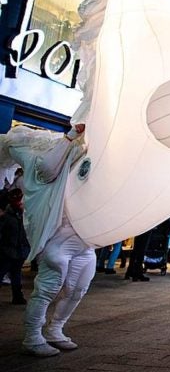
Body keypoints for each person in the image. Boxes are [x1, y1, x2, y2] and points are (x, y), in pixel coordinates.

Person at [4, 124, 92, 357]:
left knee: (79, 288)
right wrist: (70, 136)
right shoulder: (38, 163)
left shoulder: (73, 157)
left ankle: (55, 330)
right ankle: (32, 336)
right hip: (58, 237)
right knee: (47, 289)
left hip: (84, 240)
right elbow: (48, 169)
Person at [0, 188, 30, 304]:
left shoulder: (21, 216)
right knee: (3, 272)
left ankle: (17, 296)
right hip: (8, 251)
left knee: (16, 274)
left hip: (18, 251)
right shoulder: (7, 217)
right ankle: (17, 296)